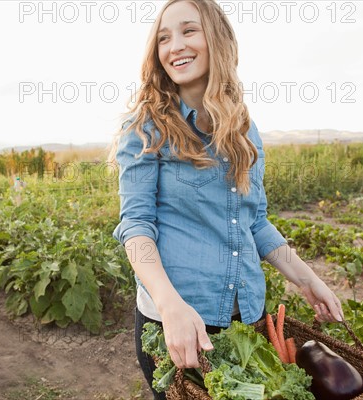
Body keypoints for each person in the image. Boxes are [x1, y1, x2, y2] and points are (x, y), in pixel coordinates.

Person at [107, 1, 345, 398]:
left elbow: (255, 223)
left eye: (189, 31)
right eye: (163, 38)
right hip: (180, 322)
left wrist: (309, 280)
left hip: (247, 318)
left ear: (217, 40)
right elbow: (136, 228)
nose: (174, 46)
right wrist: (170, 306)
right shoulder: (146, 128)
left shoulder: (244, 131)